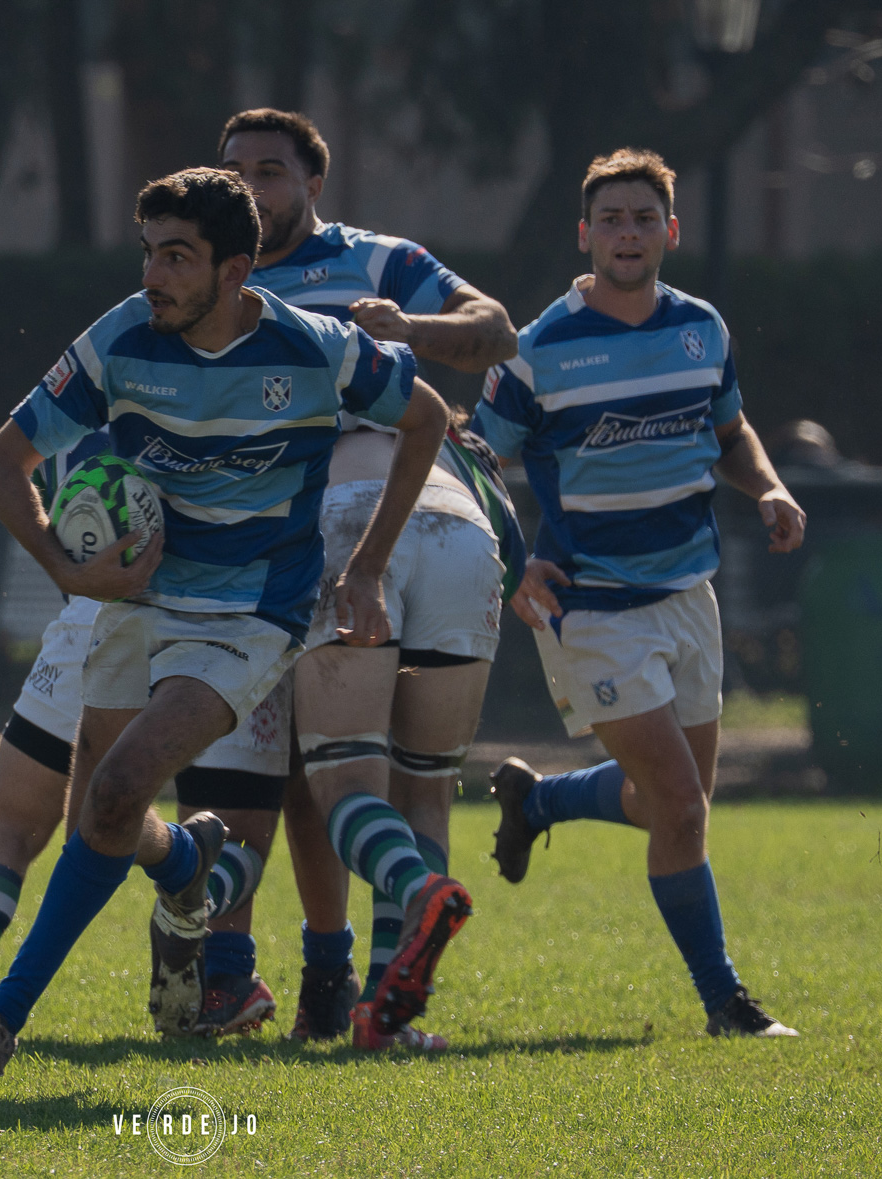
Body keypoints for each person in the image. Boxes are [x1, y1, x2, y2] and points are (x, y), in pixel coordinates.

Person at [0, 168, 451, 1094]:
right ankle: (187, 856)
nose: (155, 276)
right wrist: (66, 568)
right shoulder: (121, 340)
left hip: (253, 608)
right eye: (148, 253)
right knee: (106, 805)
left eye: (178, 257)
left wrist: (367, 566)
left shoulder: (317, 349)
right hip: (135, 594)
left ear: (237, 270)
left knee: (122, 781)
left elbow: (428, 417)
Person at [473, 148, 804, 1038]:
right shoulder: (538, 350)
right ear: (586, 236)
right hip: (592, 607)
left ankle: (539, 800)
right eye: (611, 220)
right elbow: (473, 461)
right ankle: (725, 1002)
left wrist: (767, 485)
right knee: (681, 808)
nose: (628, 233)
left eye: (643, 218)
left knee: (674, 801)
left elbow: (730, 433)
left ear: (671, 231)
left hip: (689, 592)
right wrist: (512, 566)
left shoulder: (703, 329)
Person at [219, 108, 520, 1045]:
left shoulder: (378, 259)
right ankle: (382, 1006)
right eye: (235, 172)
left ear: (316, 183)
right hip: (465, 541)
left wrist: (407, 327)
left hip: (350, 526)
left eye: (272, 171)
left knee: (340, 780)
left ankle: (406, 904)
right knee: (422, 784)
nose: (253, 188)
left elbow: (495, 329)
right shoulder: (212, 270)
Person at [0, 430, 282, 1040]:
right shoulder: (230, 384)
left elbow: (53, 519)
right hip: (222, 626)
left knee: (13, 821)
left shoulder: (70, 406)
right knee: (241, 833)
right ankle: (202, 930)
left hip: (94, 622)